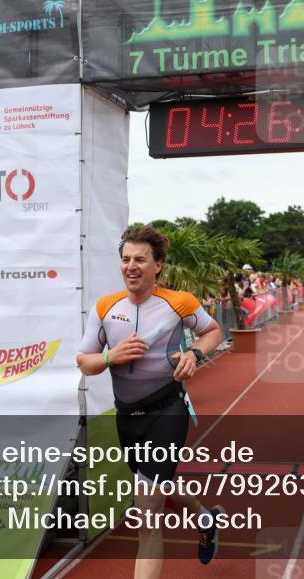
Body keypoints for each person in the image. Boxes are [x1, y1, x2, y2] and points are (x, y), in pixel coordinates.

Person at [75, 225, 224, 576]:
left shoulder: (179, 302)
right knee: (159, 484)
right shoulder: (105, 307)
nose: (131, 266)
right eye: (126, 259)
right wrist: (113, 357)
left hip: (167, 411)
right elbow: (85, 362)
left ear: (157, 265)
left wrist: (195, 354)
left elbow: (212, 331)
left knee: (147, 516)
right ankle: (206, 518)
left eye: (140, 259)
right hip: (127, 417)